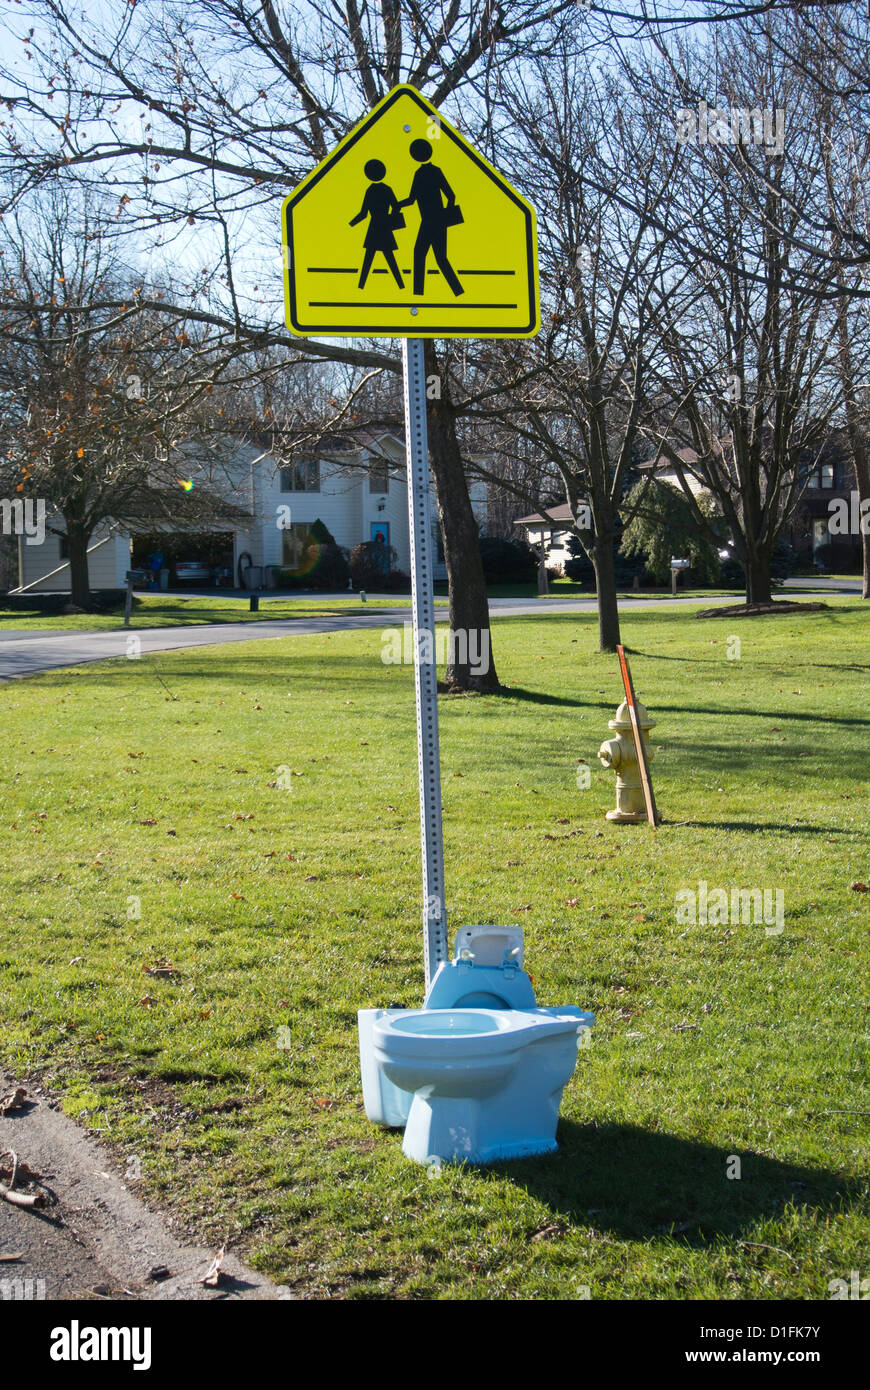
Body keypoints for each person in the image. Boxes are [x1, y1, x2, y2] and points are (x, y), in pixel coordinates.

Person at [399, 139, 464, 297]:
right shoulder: (429, 172)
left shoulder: (425, 173)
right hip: (434, 221)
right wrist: (445, 217)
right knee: (437, 257)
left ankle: (419, 294)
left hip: (431, 221)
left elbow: (412, 199)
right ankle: (456, 291)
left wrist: (396, 205)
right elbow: (451, 196)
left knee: (424, 255)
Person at [349, 159, 405, 289]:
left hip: (375, 227)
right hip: (384, 226)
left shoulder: (370, 190)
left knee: (369, 258)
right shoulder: (387, 189)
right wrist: (390, 218)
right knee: (389, 257)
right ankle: (401, 285)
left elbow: (363, 213)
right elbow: (396, 207)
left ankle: (361, 286)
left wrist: (351, 224)